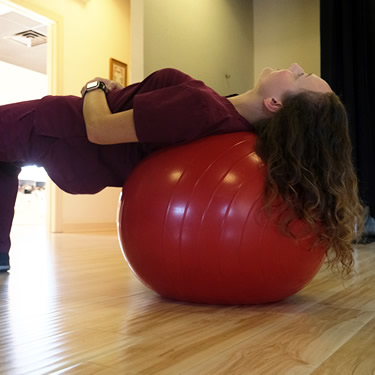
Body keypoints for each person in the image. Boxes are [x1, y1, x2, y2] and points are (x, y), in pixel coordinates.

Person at [0, 63, 363, 275]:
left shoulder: (201, 108)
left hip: (52, 125)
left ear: (273, 103)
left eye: (300, 76)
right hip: (64, 144)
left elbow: (99, 129)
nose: (295, 66)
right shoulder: (229, 126)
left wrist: (93, 86)